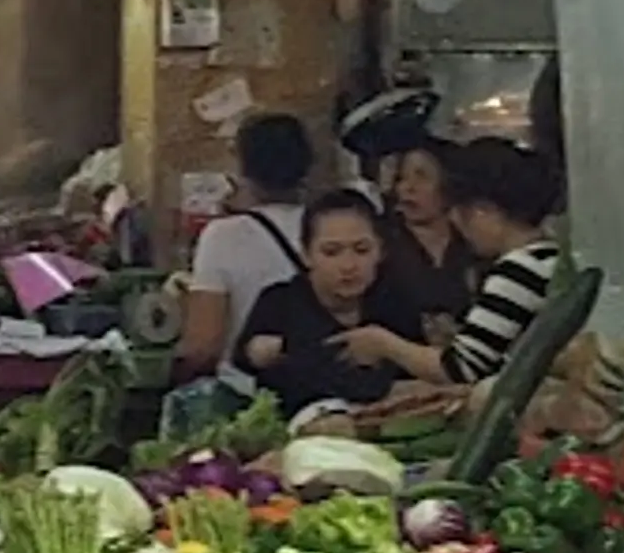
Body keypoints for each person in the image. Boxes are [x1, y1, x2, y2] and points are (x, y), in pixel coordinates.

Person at [334, 138, 564, 389]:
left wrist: (383, 344)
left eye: (459, 211)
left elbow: (461, 368)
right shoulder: (548, 255)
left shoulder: (517, 270)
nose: (455, 221)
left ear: (483, 211)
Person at [237, 191, 432, 411]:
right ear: (306, 255)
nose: (348, 265)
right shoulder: (279, 303)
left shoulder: (396, 301)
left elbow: (420, 373)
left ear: (381, 251)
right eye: (332, 252)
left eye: (361, 250)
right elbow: (253, 358)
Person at [182, 113, 318, 389]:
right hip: (320, 388)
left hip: (247, 395)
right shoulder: (332, 228)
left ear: (243, 168)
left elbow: (203, 348)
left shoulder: (222, 236)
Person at [375, 138, 483, 339]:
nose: (408, 187)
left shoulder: (472, 241)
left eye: (421, 177)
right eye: (401, 178)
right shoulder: (381, 240)